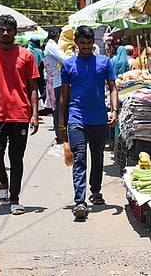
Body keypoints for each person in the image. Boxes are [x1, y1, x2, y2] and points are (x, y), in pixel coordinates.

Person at [0, 14, 40, 215]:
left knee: (16, 158)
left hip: (20, 114)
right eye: (1, 29)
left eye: (9, 30)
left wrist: (34, 113)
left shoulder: (26, 56)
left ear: (15, 32)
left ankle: (15, 198)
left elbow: (33, 87)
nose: (5, 33)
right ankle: (3, 180)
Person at [58, 25, 118, 219]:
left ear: (93, 42)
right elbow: (64, 96)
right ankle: (79, 201)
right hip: (76, 118)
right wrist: (61, 123)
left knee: (98, 156)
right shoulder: (68, 65)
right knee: (80, 159)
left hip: (99, 119)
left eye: (89, 43)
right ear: (76, 43)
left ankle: (96, 190)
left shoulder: (104, 63)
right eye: (82, 43)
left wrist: (114, 110)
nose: (86, 46)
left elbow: (113, 88)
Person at [43, 26, 69, 144]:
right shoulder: (52, 46)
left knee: (59, 109)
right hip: (57, 82)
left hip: (56, 81)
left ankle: (61, 134)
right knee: (59, 109)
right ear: (58, 35)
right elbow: (65, 59)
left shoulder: (52, 45)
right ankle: (60, 136)